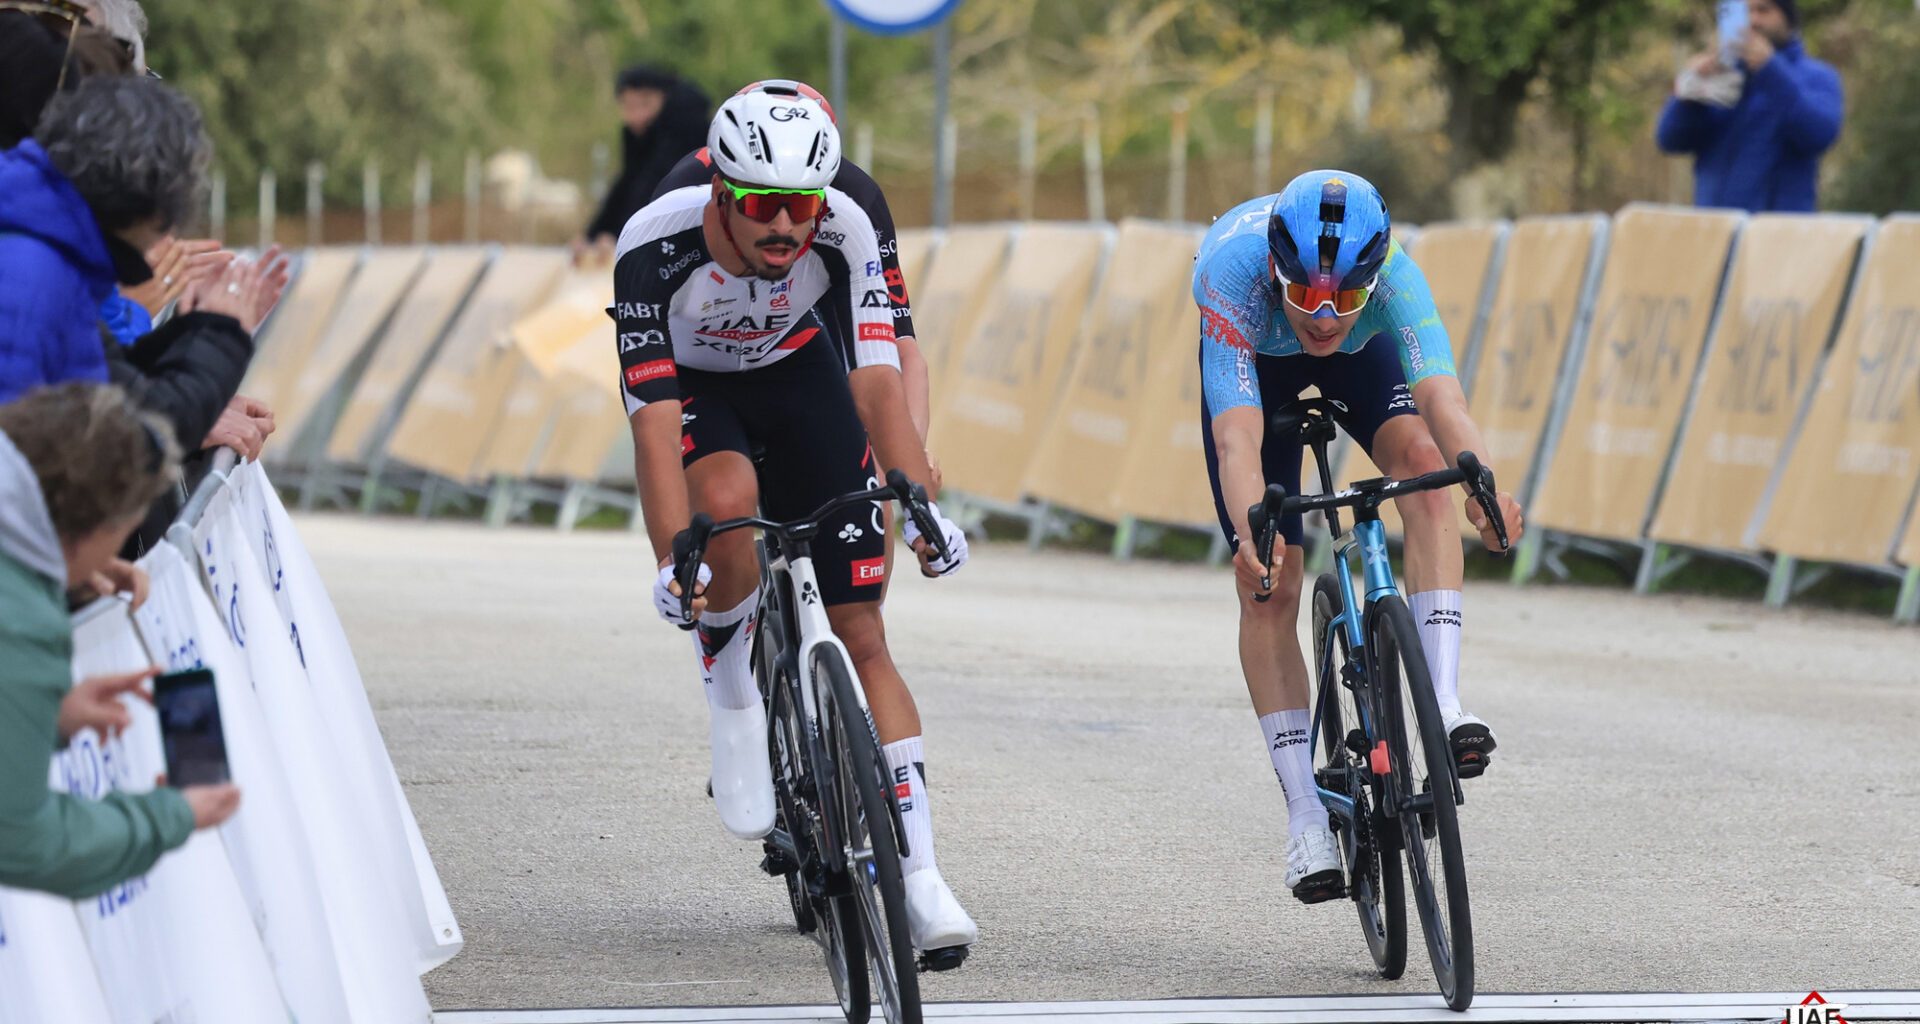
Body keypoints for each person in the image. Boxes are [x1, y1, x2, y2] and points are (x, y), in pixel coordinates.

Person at [612, 84, 977, 955]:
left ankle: (920, 874)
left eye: (800, 208)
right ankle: (731, 682)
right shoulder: (652, 242)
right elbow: (655, 429)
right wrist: (675, 563)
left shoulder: (845, 219)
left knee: (864, 628)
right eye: (763, 207)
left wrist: (914, 494)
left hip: (796, 363)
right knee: (728, 514)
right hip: (697, 386)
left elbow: (879, 378)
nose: (785, 226)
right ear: (720, 198)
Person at [1193, 170, 1524, 903]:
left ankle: (1440, 699)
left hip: (1360, 367)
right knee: (1269, 576)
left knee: (1429, 469)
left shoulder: (1399, 280)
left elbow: (1444, 399)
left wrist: (1486, 485)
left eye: (1344, 296)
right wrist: (1257, 543)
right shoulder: (1231, 279)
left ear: (1371, 279)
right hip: (1258, 371)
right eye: (1304, 293)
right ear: (1277, 269)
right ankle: (1306, 817)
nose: (1320, 315)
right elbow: (1237, 444)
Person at [0, 382, 241, 900]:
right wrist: (169, 816)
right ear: (101, 526)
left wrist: (45, 716)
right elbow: (21, 841)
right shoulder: (24, 622)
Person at [1656, 0, 1842, 213]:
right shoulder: (1721, 74)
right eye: (1744, 12)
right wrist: (1689, 94)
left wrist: (1770, 70)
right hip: (1717, 231)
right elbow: (1669, 140)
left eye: (1763, 10)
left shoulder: (1816, 76)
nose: (1752, 21)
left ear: (1788, 19)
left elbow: (1819, 135)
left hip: (1779, 233)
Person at [573, 65, 711, 266]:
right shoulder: (641, 132)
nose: (635, 115)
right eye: (629, 107)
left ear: (663, 98)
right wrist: (592, 236)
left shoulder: (685, 131)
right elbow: (627, 182)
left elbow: (655, 187)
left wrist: (619, 236)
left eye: (644, 105)